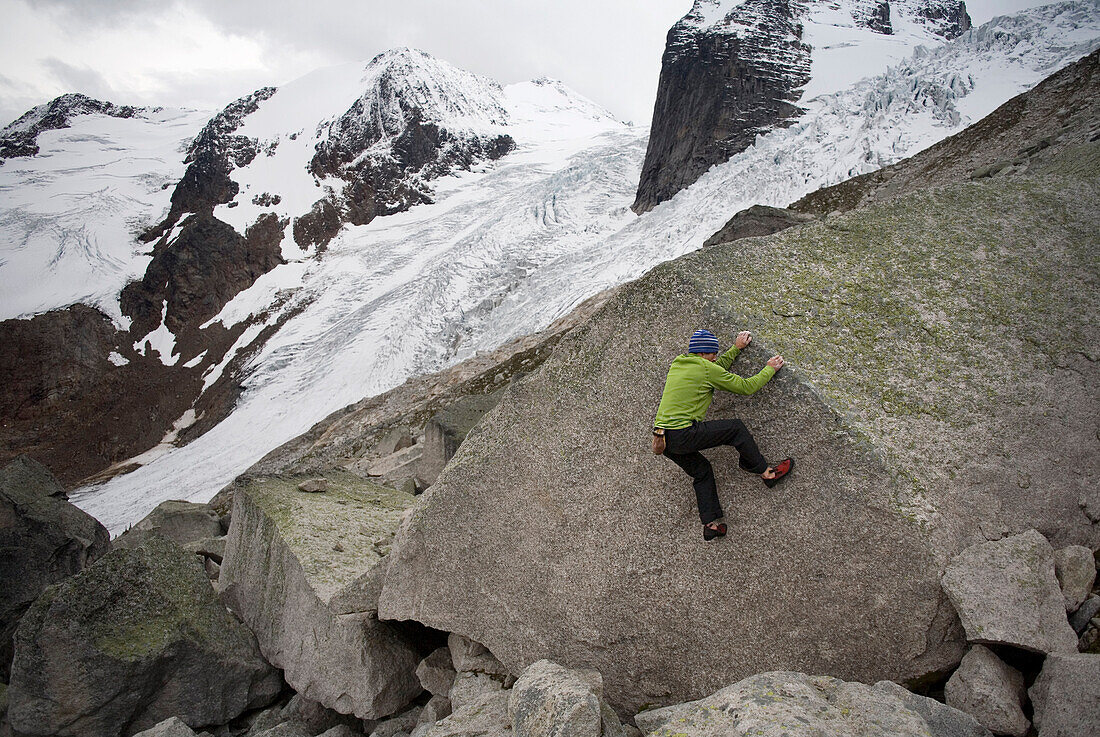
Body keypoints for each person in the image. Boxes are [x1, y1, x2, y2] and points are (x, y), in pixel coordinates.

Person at [652, 328, 794, 540]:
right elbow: (746, 387)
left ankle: (710, 524)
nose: (715, 356)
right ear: (701, 354)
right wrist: (769, 369)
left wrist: (736, 349)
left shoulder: (679, 363)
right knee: (735, 428)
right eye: (712, 353)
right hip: (683, 432)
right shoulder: (705, 369)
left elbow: (714, 369)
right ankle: (766, 473)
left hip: (663, 440)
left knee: (702, 471)